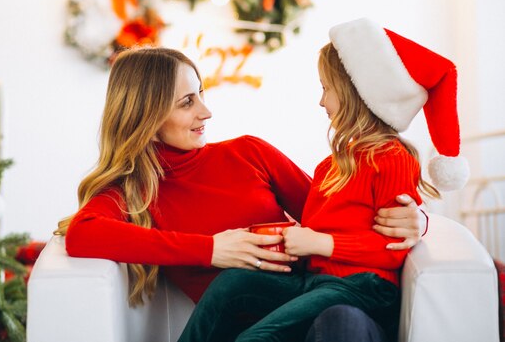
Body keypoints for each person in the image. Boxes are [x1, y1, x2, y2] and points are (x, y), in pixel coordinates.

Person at [56, 46, 427, 340]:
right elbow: (83, 233)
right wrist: (211, 250)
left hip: (326, 311)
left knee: (342, 321)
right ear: (147, 118)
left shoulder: (248, 153)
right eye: (187, 102)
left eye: (201, 94)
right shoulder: (133, 191)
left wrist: (418, 220)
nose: (207, 111)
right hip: (243, 329)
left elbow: (336, 212)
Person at [177, 18, 470, 342]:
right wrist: (287, 240)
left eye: (326, 89)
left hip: (365, 288)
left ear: (357, 95)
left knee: (259, 336)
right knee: (231, 284)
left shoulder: (392, 159)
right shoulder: (330, 167)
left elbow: (391, 250)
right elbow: (323, 228)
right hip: (319, 283)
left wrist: (320, 243)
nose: (321, 101)